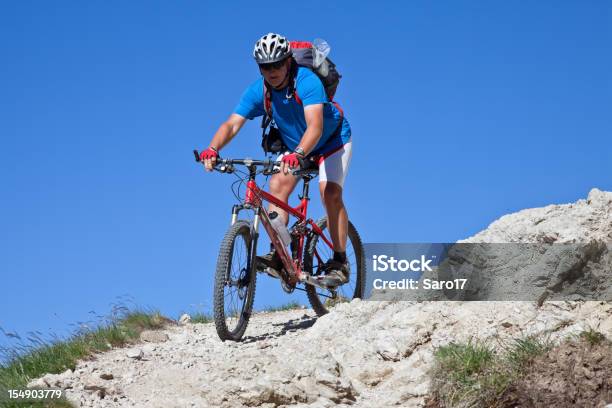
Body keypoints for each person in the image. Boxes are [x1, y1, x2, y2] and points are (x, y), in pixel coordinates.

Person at [200, 33, 352, 286]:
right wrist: (212, 148)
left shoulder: (307, 82)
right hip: (296, 147)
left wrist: (299, 154)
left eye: (277, 64)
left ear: (288, 61)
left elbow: (315, 127)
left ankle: (339, 261)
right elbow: (232, 124)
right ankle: (280, 251)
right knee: (276, 186)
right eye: (265, 66)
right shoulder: (259, 91)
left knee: (329, 192)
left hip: (332, 140)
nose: (272, 71)